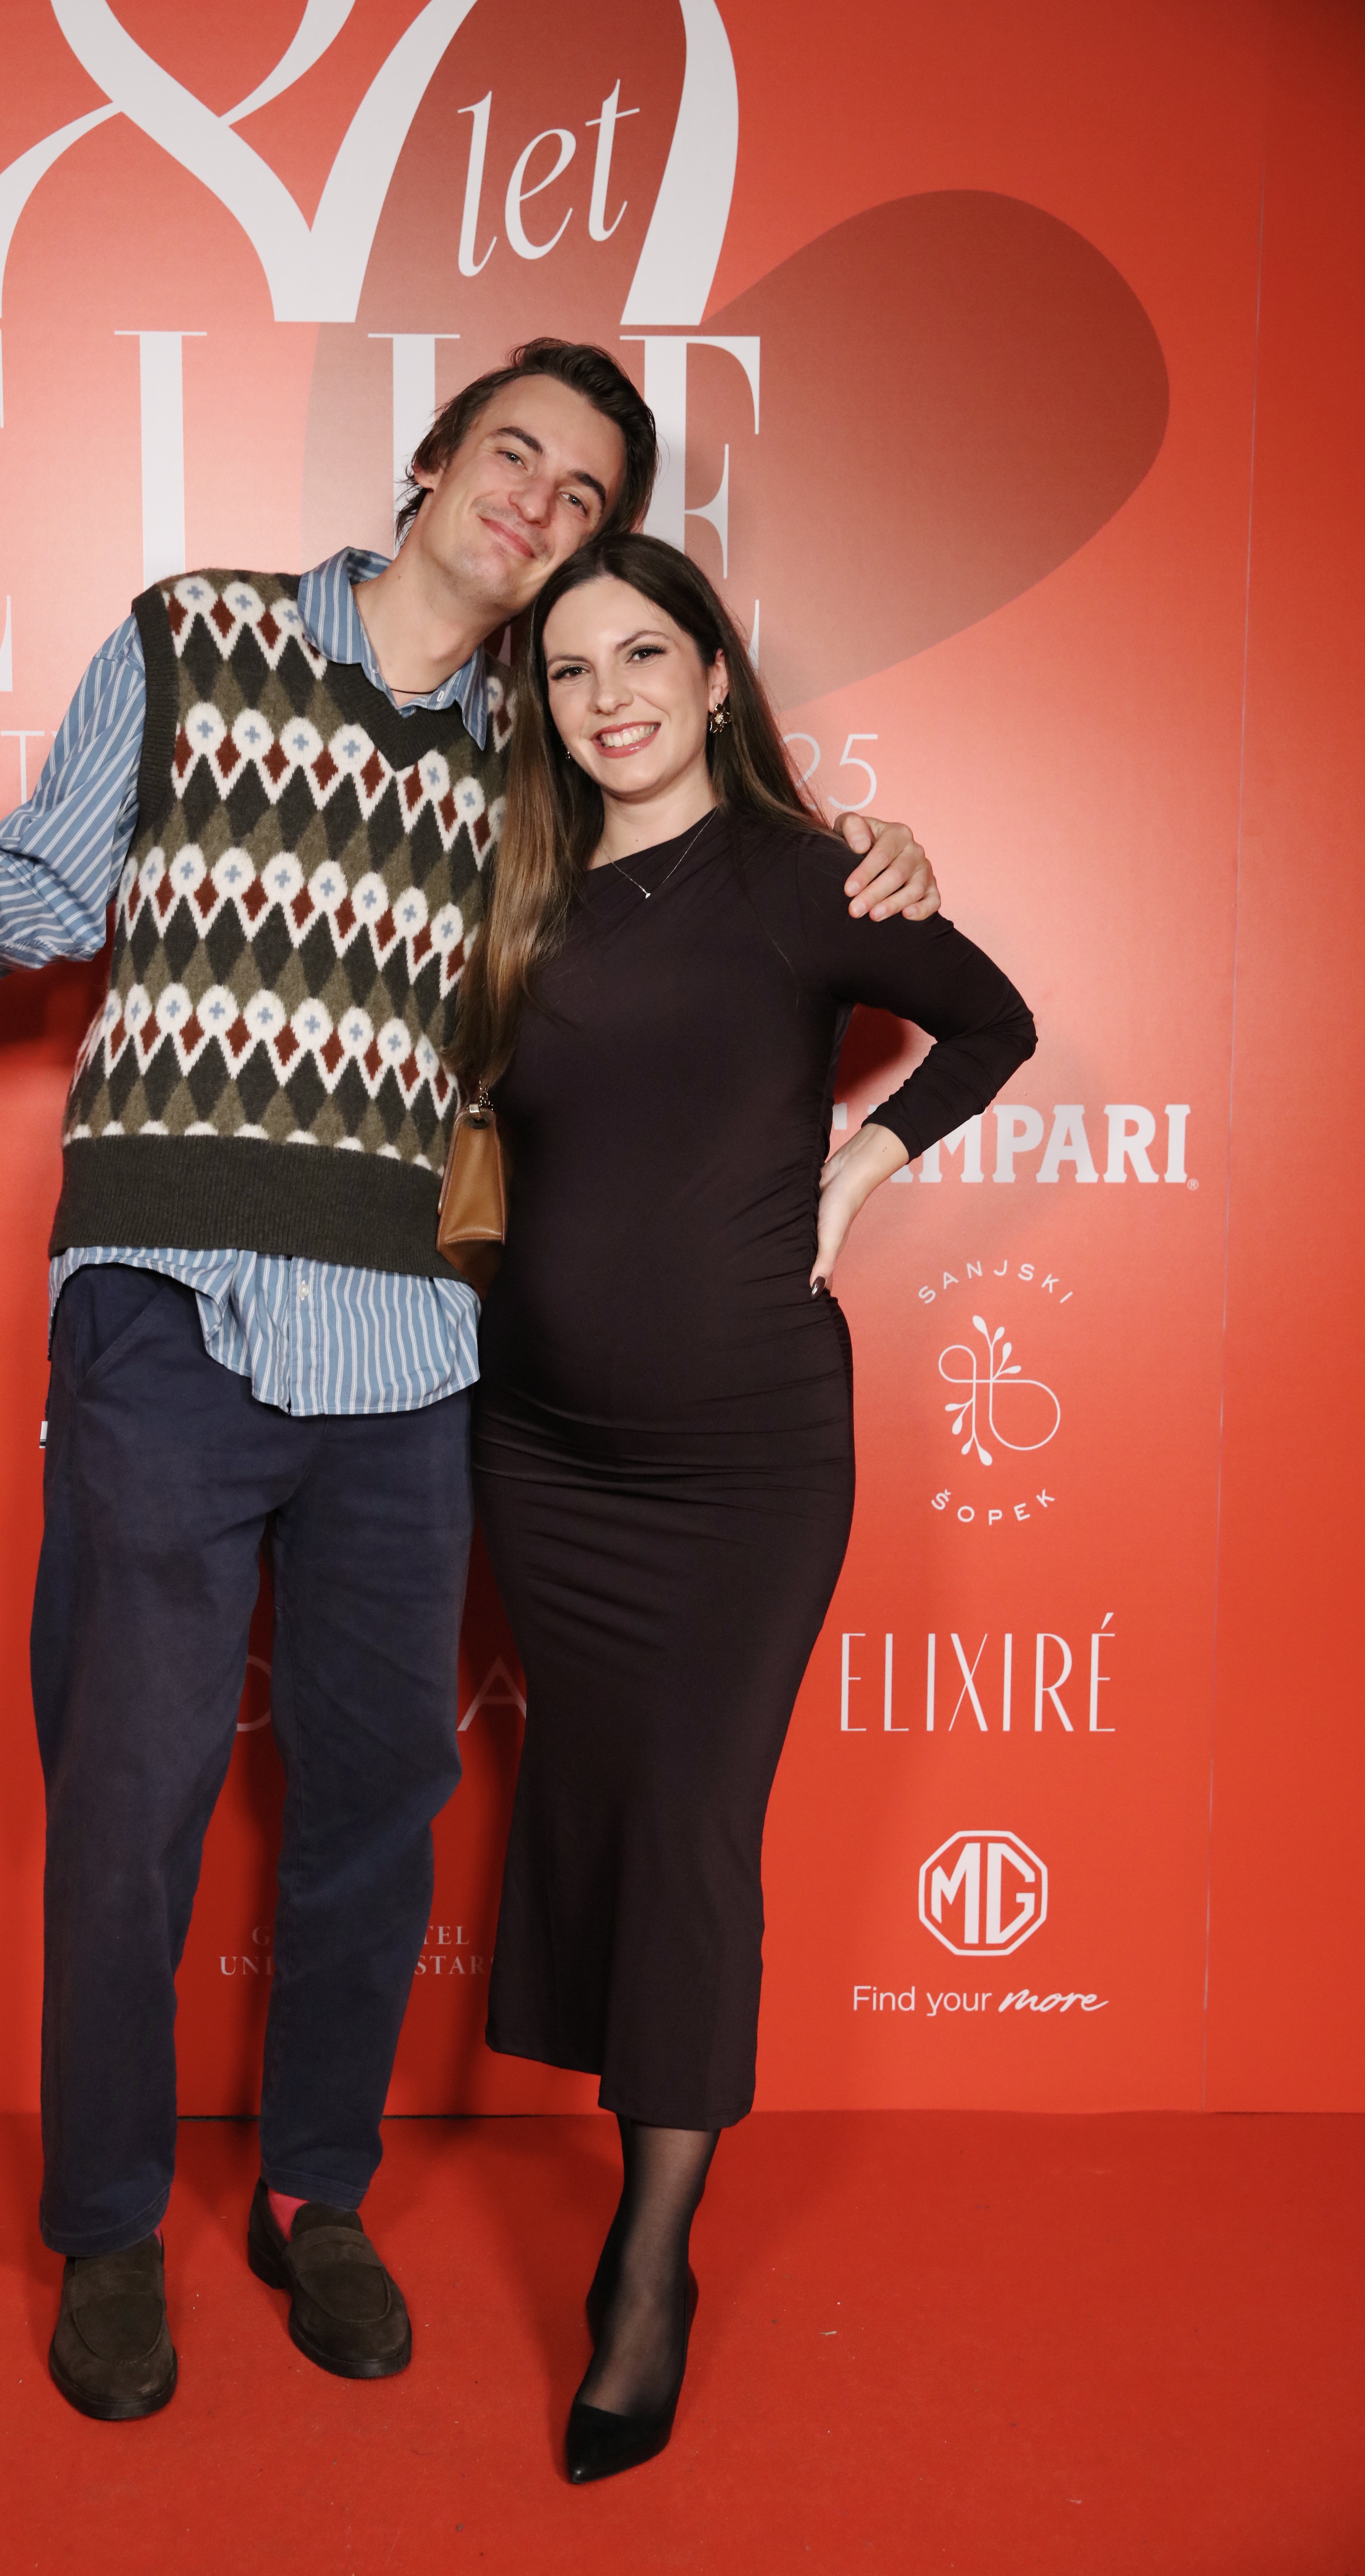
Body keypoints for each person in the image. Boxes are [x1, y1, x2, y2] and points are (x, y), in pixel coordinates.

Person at [0, 343, 936, 2423]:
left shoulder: (544, 761)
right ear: (435, 460)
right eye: (516, 456)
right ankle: (110, 2224)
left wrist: (866, 862)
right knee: (130, 1800)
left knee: (380, 1799)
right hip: (168, 1308)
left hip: (416, 1346)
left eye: (587, 496)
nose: (539, 505)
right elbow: (37, 898)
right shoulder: (195, 637)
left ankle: (319, 2191)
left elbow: (695, 890)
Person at [449, 531, 1035, 2484]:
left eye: (645, 655)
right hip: (540, 1449)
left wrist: (868, 1160)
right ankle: (640, 2195)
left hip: (743, 1462)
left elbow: (994, 1020)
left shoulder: (806, 878)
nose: (607, 696)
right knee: (602, 1805)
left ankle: (649, 2267)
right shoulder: (511, 887)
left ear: (715, 675)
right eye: (569, 670)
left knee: (694, 1830)